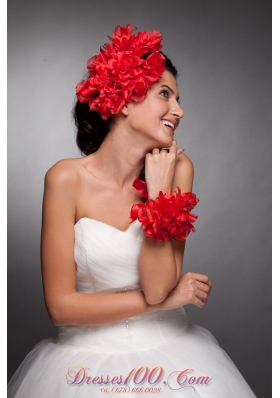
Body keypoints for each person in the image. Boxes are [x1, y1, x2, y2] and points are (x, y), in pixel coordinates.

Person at [8, 24, 256, 397]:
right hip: (84, 364)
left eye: (177, 98)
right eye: (165, 94)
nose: (180, 110)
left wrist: (158, 196)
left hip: (174, 356)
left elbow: (157, 288)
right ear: (123, 100)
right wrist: (171, 300)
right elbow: (61, 308)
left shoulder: (179, 169)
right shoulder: (65, 179)